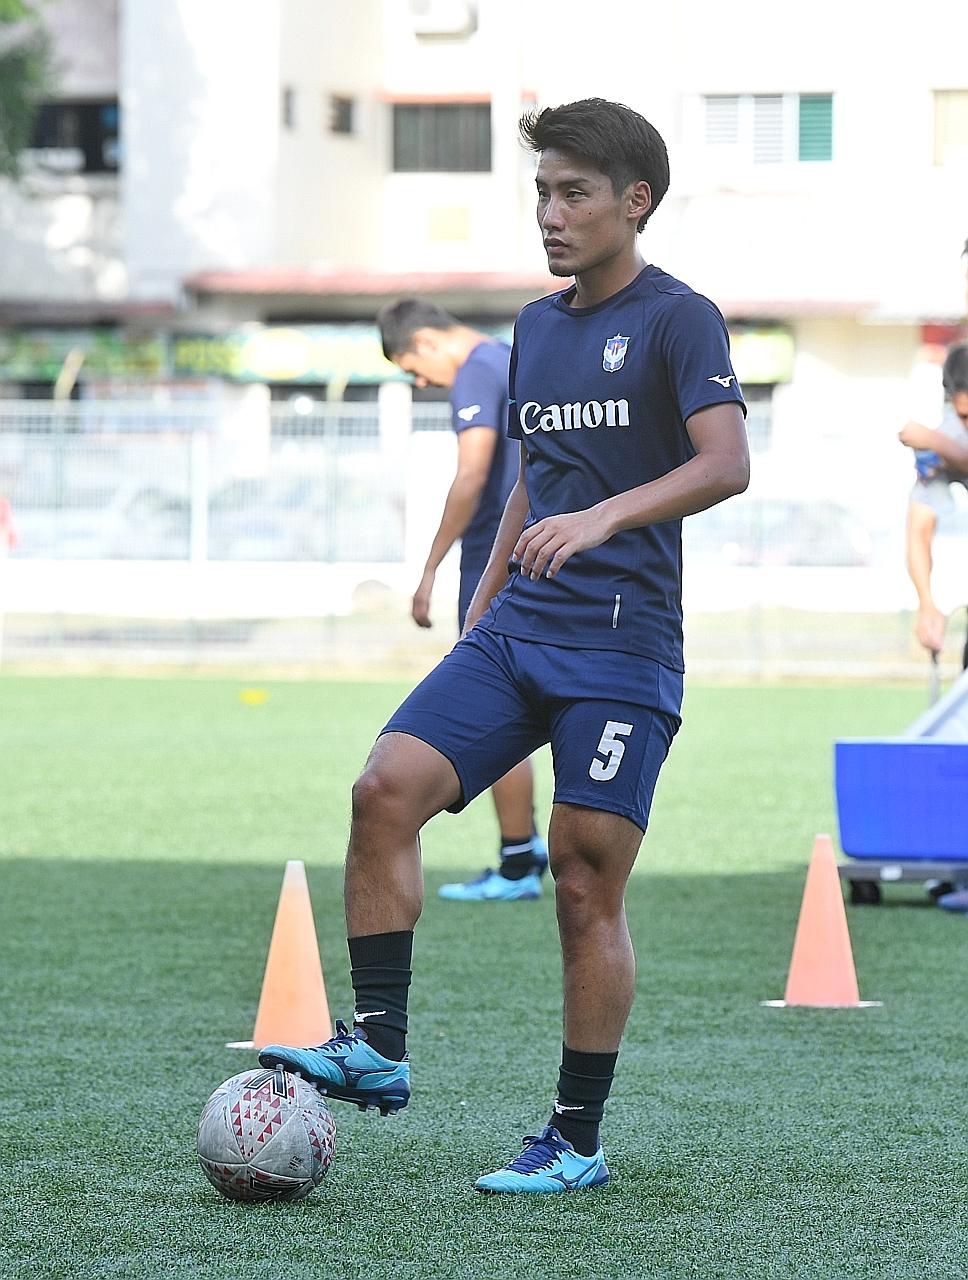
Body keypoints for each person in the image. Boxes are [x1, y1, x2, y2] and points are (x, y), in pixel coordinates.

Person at [261, 97, 749, 1194]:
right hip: (516, 631)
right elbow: (529, 472)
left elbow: (725, 463)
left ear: (634, 201)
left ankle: (573, 1136)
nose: (550, 212)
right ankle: (376, 1041)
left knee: (581, 880)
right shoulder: (536, 326)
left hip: (621, 651)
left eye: (573, 191)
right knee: (384, 785)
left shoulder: (682, 318)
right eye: (540, 190)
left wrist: (609, 514)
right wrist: (480, 606)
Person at [376, 299, 548, 901]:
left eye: (413, 369)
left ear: (425, 342)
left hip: (492, 561)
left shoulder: (476, 368)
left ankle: (519, 862)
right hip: (531, 553)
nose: (422, 382)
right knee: (523, 702)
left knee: (494, 707)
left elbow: (473, 474)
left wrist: (428, 569)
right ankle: (525, 852)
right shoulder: (509, 357)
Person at [899, 343, 968, 669]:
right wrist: (926, 602)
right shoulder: (949, 437)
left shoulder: (939, 442)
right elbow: (919, 530)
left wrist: (937, 443)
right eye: (966, 415)